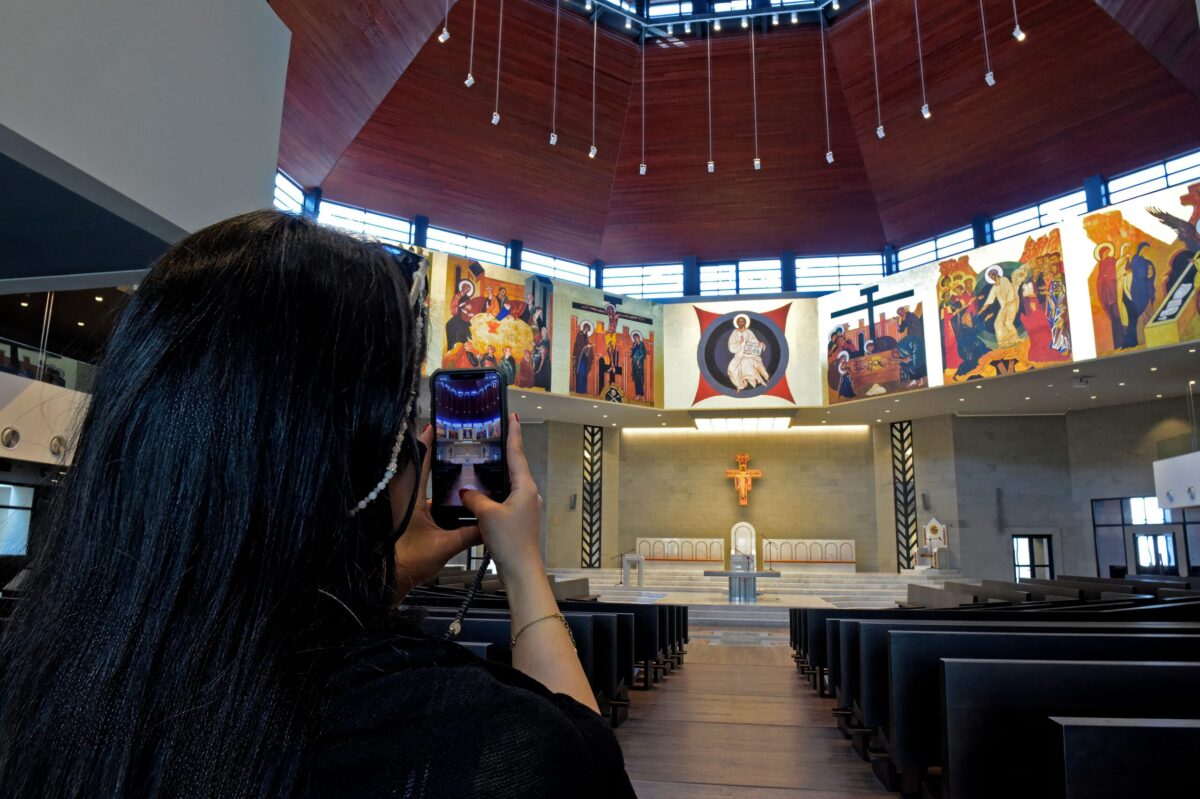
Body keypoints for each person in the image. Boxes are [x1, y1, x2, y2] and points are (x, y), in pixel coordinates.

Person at [0, 211, 634, 799]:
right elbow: (585, 760)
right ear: (365, 463)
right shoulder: (456, 732)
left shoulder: (40, 668)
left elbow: (270, 627)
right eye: (403, 422)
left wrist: (380, 577)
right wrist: (522, 566)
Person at [725, 314, 770, 392]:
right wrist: (740, 343)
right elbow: (731, 345)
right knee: (731, 369)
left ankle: (743, 384)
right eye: (739, 321)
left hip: (748, 354)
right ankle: (740, 384)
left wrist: (760, 343)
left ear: (745, 322)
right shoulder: (734, 332)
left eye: (742, 321)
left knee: (746, 363)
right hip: (738, 354)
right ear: (737, 323)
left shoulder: (749, 332)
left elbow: (754, 341)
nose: (740, 322)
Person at [982, 265, 1020, 349]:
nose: (992, 277)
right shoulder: (994, 287)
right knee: (997, 324)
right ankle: (1003, 343)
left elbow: (1010, 291)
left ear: (996, 273)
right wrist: (982, 309)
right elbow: (990, 299)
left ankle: (1016, 339)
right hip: (1004, 307)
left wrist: (1008, 302)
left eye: (992, 275)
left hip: (1011, 303)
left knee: (1007, 323)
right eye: (990, 276)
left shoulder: (1004, 280)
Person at [572, 322, 594, 395]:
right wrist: (586, 346)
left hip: (585, 358)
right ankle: (580, 390)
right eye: (587, 328)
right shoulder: (580, 335)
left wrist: (589, 347)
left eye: (588, 329)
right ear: (584, 327)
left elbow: (586, 345)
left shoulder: (586, 336)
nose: (587, 330)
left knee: (584, 374)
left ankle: (584, 391)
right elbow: (578, 345)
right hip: (580, 358)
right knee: (580, 373)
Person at [629, 331, 647, 399]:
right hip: (634, 364)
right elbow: (632, 354)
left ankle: (641, 395)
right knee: (636, 379)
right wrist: (633, 347)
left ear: (639, 337)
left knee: (640, 379)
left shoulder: (641, 344)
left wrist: (639, 360)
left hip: (639, 364)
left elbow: (643, 354)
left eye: (636, 337)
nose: (635, 339)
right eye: (634, 338)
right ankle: (637, 395)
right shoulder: (634, 344)